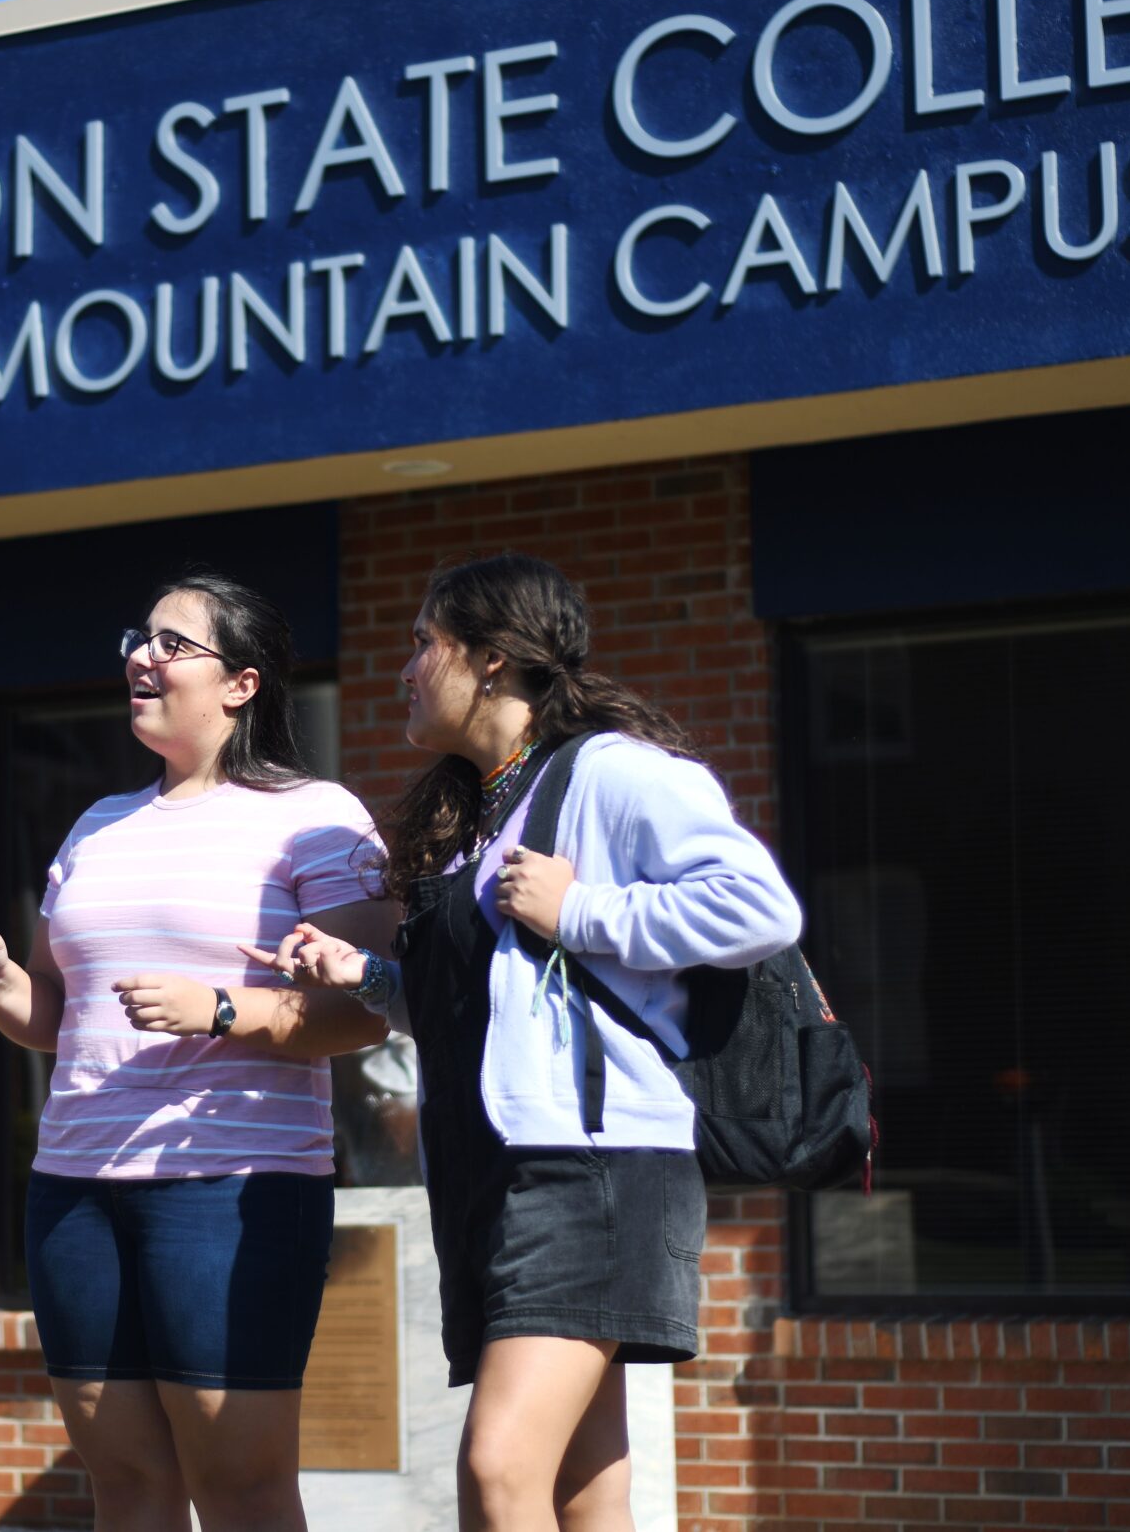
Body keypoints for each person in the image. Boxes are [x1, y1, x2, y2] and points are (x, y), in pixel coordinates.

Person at [264, 553, 802, 1532]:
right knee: (582, 1490)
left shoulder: (612, 773)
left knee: (497, 1470)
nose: (404, 668)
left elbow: (758, 907)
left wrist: (582, 908)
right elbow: (497, 1013)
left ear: (495, 661)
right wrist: (373, 983)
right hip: (494, 1176)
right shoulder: (487, 812)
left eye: (425, 643)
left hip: (587, 1172)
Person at [0, 573, 396, 1532]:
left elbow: (365, 1012)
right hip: (74, 1187)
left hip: (232, 1184)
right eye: (139, 639)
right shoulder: (97, 827)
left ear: (242, 683)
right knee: (129, 1490)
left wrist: (218, 1008)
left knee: (242, 1490)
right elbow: (64, 1022)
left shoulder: (316, 815)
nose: (143, 657)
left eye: (173, 643)